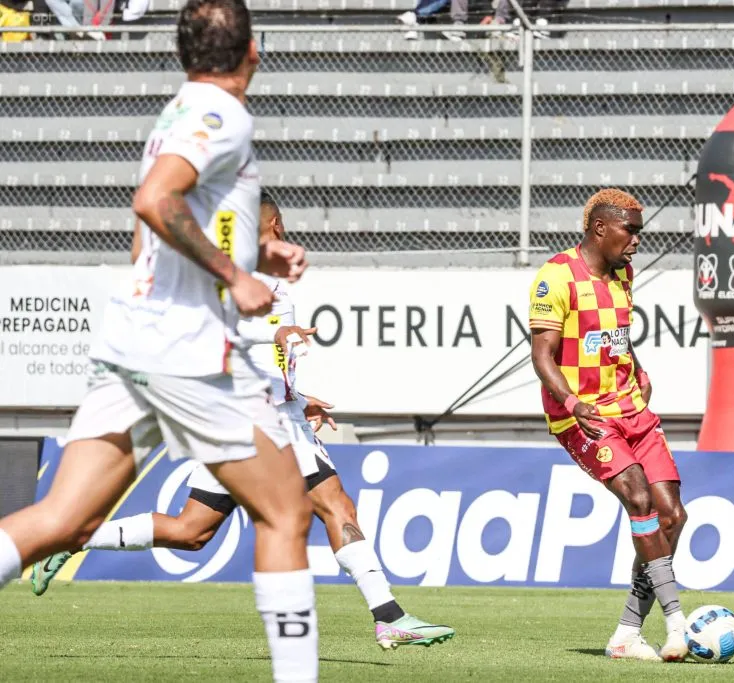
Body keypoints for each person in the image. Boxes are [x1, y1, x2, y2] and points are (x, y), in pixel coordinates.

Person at [0, 2, 321, 681]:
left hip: (133, 339)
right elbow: (155, 201)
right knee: (286, 510)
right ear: (253, 51)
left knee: (63, 520)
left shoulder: (179, 110)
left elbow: (159, 227)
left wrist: (256, 254)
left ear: (184, 53)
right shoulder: (224, 114)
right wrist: (234, 275)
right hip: (186, 348)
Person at [31, 193, 455, 651]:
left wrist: (297, 396)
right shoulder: (242, 276)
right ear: (275, 224)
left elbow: (246, 354)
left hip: (240, 415)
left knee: (192, 531)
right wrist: (277, 336)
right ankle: (389, 617)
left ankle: (74, 538)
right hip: (265, 422)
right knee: (337, 506)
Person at [528, 188, 689, 662]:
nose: (637, 240)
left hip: (632, 408)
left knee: (672, 517)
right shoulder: (556, 276)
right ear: (600, 228)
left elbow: (616, 337)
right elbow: (542, 356)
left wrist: (637, 368)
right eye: (630, 231)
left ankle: (626, 634)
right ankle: (677, 621)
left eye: (639, 232)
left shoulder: (624, 274)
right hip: (584, 416)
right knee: (638, 498)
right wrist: (572, 402)